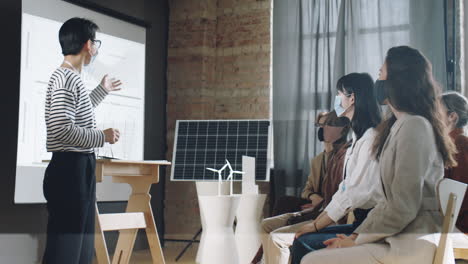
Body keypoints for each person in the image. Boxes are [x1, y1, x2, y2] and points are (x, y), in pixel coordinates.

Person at [299, 46, 457, 264]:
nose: (378, 82)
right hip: (396, 236)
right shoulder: (399, 126)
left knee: (312, 260)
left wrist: (356, 239)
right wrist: (355, 237)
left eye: (381, 74)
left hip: (409, 244)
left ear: (397, 81)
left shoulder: (415, 127)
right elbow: (388, 202)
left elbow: (403, 205)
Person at [42, 17, 122, 264]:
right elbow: (62, 130)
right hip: (70, 171)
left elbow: (77, 114)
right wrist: (102, 136)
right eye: (96, 43)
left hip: (79, 169)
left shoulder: (71, 78)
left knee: (80, 248)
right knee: (67, 250)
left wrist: (101, 90)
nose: (96, 49)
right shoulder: (66, 78)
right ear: (88, 44)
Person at [290, 72, 382, 264]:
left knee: (303, 243)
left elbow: (354, 193)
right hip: (360, 222)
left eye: (339, 94)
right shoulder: (358, 138)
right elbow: (345, 189)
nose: (336, 100)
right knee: (302, 238)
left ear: (352, 98)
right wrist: (316, 224)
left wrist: (315, 226)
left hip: (370, 226)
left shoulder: (370, 139)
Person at [252, 110, 351, 264]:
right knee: (269, 220)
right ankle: (264, 259)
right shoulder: (318, 160)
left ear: (343, 129)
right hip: (316, 207)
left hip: (325, 213)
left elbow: (343, 197)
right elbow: (307, 189)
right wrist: (314, 198)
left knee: (280, 222)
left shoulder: (343, 156)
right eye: (321, 125)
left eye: (328, 124)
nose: (323, 128)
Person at [441, 91, 468, 233]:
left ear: (452, 116)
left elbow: (459, 190)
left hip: (458, 225)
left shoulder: (459, 143)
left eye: (438, 111)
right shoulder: (453, 142)